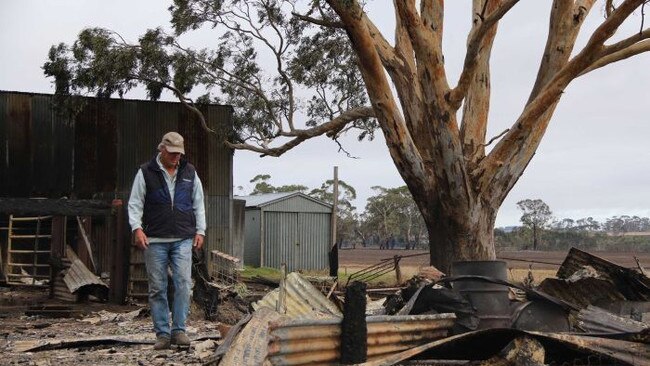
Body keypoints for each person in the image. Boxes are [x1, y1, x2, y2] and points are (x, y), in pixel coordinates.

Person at [128, 131, 206, 350]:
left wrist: (201, 230)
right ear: (161, 149)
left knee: (183, 283)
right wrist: (137, 228)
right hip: (154, 239)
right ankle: (162, 334)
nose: (176, 157)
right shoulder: (145, 172)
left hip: (183, 237)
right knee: (157, 288)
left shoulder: (190, 172)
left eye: (179, 153)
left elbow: (198, 203)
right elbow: (135, 203)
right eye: (172, 153)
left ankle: (179, 330)